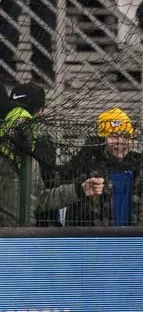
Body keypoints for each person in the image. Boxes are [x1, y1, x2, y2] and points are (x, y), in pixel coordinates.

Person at [0, 84, 101, 227]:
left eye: (25, 118)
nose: (19, 122)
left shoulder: (32, 159)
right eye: (15, 114)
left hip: (25, 236)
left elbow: (39, 200)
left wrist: (79, 190)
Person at [62, 108, 143, 227]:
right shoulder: (85, 167)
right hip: (96, 236)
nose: (120, 141)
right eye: (113, 136)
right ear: (102, 139)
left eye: (126, 136)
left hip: (135, 236)